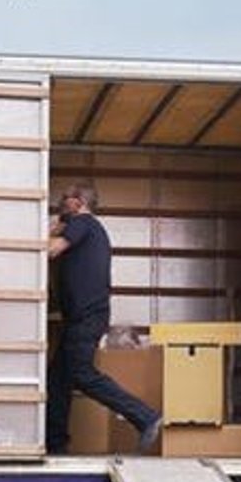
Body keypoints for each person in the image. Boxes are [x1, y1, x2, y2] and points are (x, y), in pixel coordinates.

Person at [46, 181, 162, 455]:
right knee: (58, 379)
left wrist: (49, 230)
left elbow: (52, 250)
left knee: (83, 375)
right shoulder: (90, 229)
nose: (61, 203)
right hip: (81, 318)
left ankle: (145, 416)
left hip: (85, 317)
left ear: (78, 202)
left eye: (65, 198)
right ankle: (56, 444)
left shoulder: (82, 223)